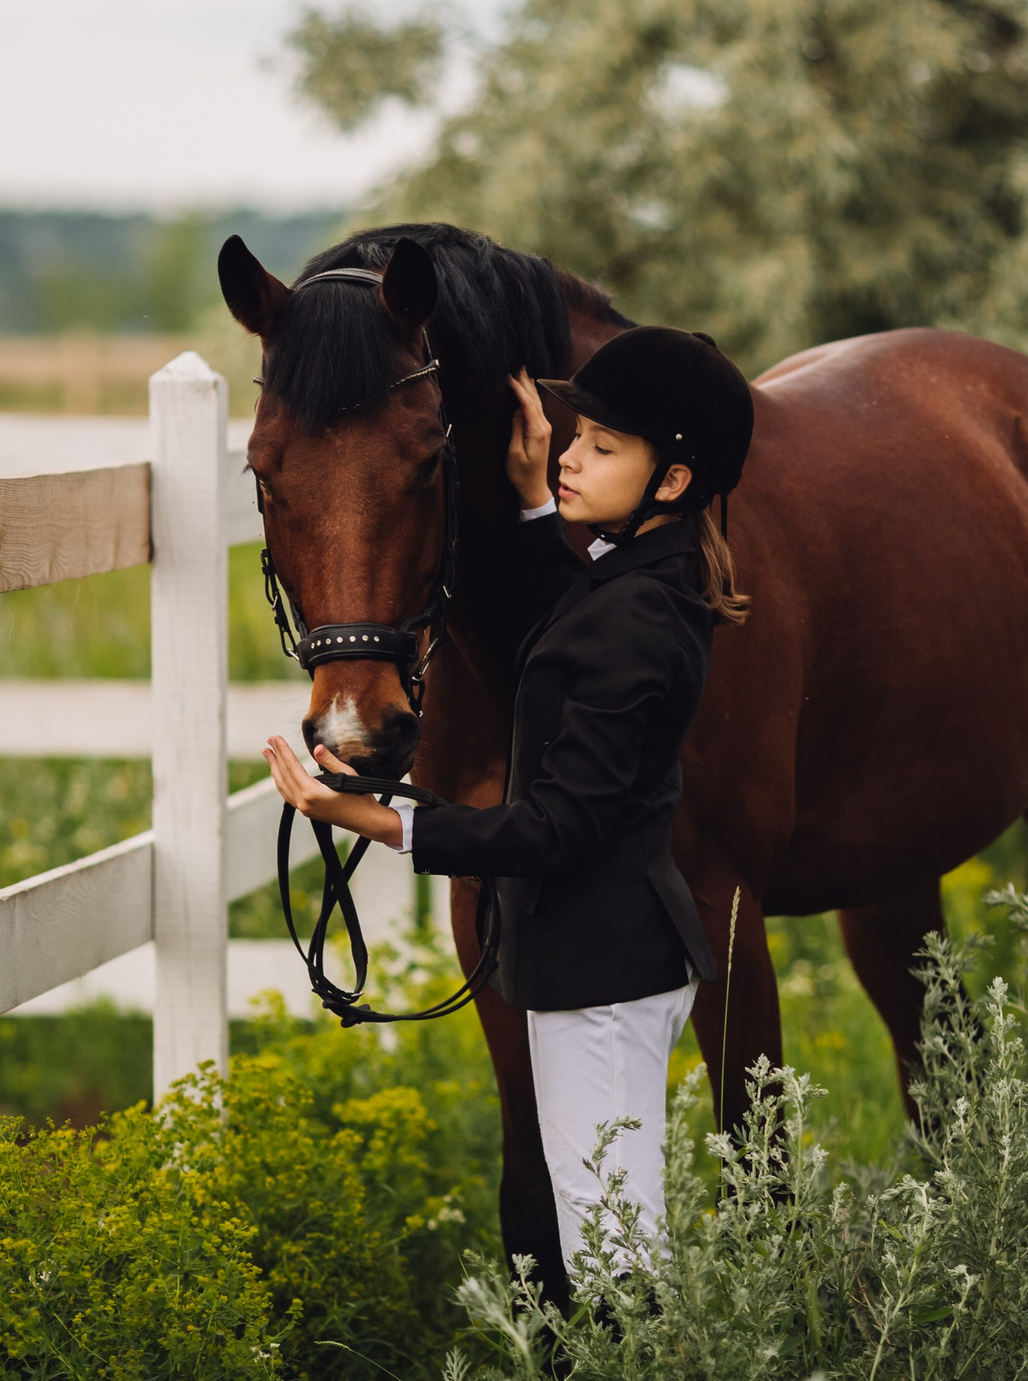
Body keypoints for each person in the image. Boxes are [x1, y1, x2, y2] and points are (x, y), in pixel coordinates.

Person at [264, 323, 754, 1301]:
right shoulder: (639, 583)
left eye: (601, 447)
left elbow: (554, 830)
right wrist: (535, 503)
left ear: (670, 481)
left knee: (617, 1261)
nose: (569, 454)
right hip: (602, 961)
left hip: (601, 978)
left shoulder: (638, 619)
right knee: (605, 1236)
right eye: (574, 436)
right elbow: (574, 618)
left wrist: (377, 818)